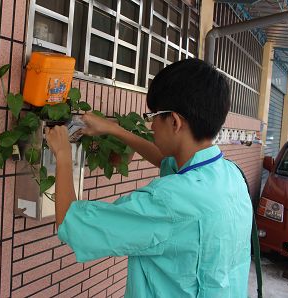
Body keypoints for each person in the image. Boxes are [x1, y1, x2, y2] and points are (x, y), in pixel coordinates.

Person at [45, 58, 253, 297]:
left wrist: (62, 154)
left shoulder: (169, 201)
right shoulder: (230, 175)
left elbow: (72, 223)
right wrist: (113, 129)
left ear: (174, 121)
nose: (151, 125)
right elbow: (166, 161)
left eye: (154, 116)